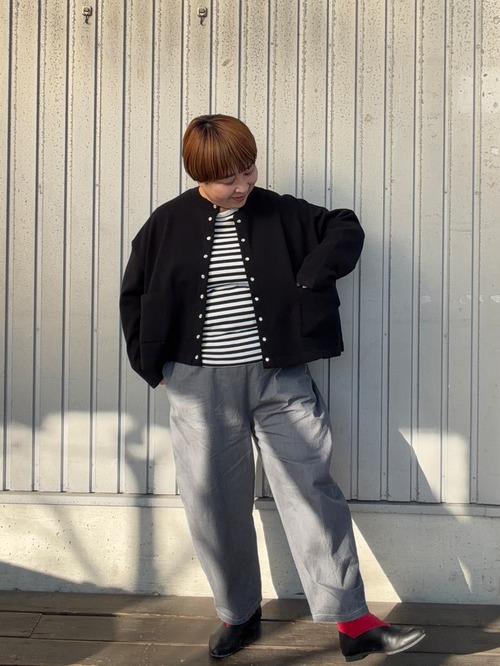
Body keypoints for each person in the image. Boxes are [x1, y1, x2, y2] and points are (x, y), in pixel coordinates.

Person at [120, 114, 425, 662]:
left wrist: (312, 274)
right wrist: (154, 367)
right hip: (199, 387)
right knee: (214, 502)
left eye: (248, 170)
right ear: (198, 174)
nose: (243, 185)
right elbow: (135, 295)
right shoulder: (165, 225)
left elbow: (344, 227)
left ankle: (353, 622)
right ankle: (238, 613)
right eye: (228, 178)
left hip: (279, 377)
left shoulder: (280, 211)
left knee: (311, 489)